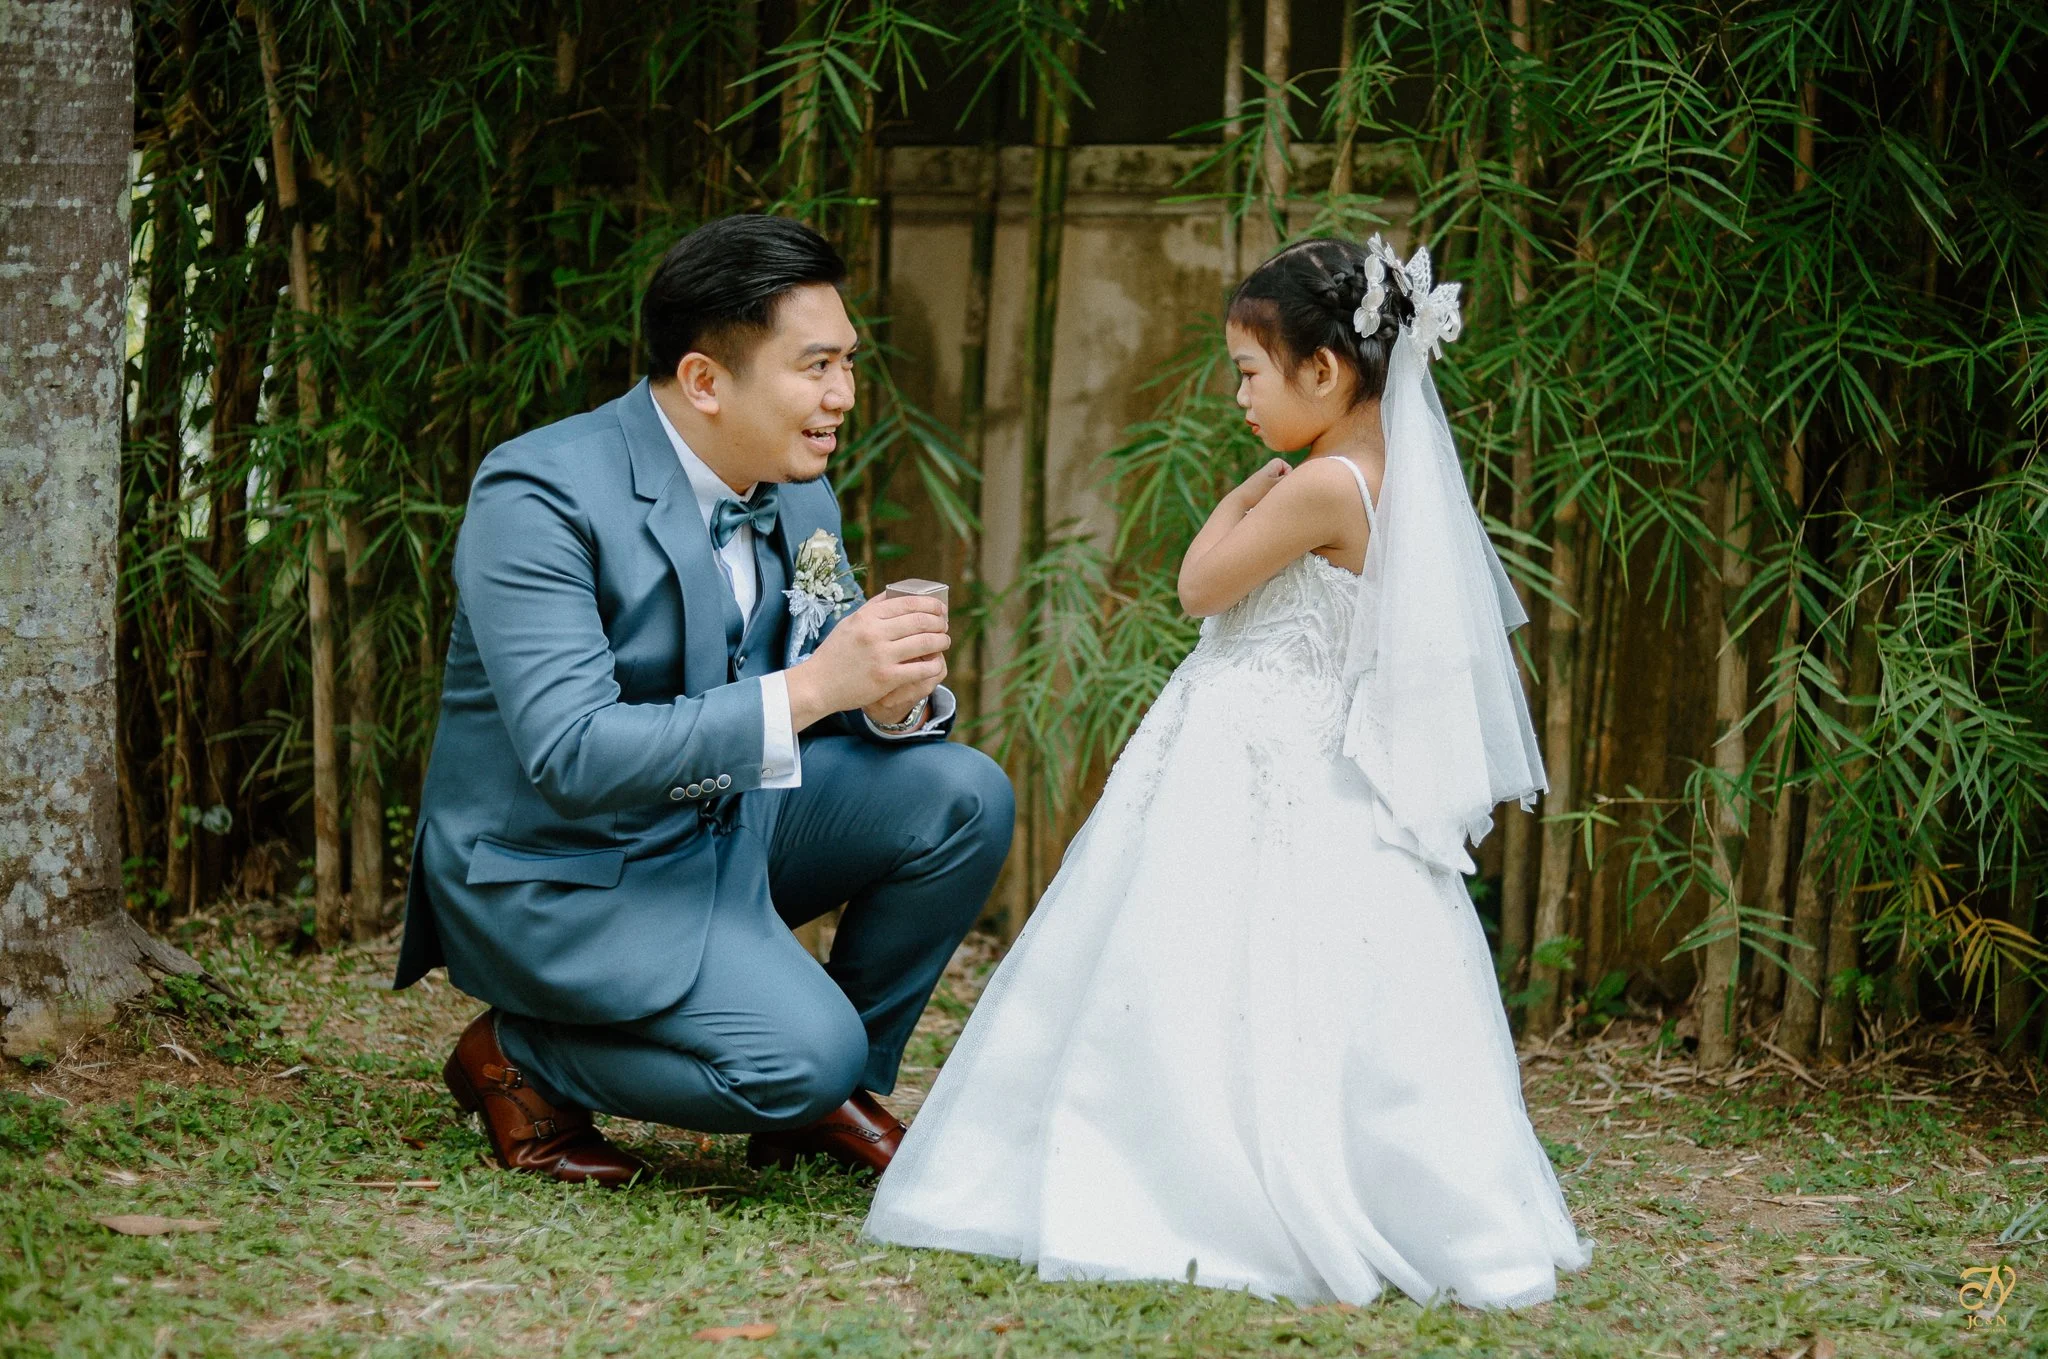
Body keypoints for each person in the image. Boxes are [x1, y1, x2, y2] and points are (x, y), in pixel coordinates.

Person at [863, 235, 1595, 1309]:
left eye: (1250, 372)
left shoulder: (1323, 485)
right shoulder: (1391, 478)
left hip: (1256, 753)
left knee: (1205, 957)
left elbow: (1199, 587)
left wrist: (1243, 499)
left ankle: (1191, 1183)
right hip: (1308, 754)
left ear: (1323, 370)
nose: (1240, 396)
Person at [393, 214, 1015, 1186]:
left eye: (849, 362)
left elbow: (825, 674)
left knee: (962, 794)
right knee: (801, 1056)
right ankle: (522, 1055)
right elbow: (574, 753)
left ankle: (825, 1100)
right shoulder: (538, 493)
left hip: (724, 829)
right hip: (570, 865)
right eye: (816, 367)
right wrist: (816, 685)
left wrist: (888, 701)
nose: (844, 395)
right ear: (705, 381)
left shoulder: (797, 491)